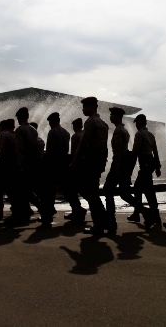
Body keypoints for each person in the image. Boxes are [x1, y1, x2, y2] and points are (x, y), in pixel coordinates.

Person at [102, 107, 148, 233]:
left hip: (118, 164)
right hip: (123, 165)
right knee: (124, 193)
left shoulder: (118, 131)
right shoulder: (125, 130)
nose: (110, 117)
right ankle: (146, 212)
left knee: (108, 191)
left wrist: (115, 168)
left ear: (117, 116)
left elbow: (117, 152)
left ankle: (111, 221)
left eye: (112, 115)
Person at [69, 96, 110, 236]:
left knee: (87, 191)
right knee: (92, 192)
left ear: (92, 107)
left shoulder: (91, 122)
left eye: (85, 107)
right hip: (100, 161)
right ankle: (103, 221)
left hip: (91, 161)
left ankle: (100, 224)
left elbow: (83, 144)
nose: (83, 109)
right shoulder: (103, 123)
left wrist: (74, 162)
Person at [41, 112, 81, 228]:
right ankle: (77, 209)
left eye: (50, 122)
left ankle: (47, 216)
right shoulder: (66, 132)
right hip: (63, 162)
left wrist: (47, 164)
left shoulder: (52, 132)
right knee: (67, 189)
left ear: (52, 121)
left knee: (49, 191)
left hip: (54, 163)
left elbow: (50, 150)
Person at [130, 114, 162, 229]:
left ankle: (147, 216)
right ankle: (150, 216)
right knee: (147, 190)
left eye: (137, 124)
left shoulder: (139, 134)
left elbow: (135, 153)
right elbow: (156, 152)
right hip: (151, 163)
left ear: (139, 123)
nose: (136, 126)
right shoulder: (151, 135)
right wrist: (158, 167)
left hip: (144, 163)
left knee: (141, 190)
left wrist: (129, 169)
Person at [15, 108, 39, 222]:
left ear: (20, 118)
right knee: (27, 187)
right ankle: (27, 210)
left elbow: (19, 149)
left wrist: (19, 165)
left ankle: (40, 208)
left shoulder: (20, 130)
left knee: (23, 188)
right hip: (33, 162)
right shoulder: (34, 130)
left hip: (24, 162)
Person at [0, 118, 21, 221]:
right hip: (15, 164)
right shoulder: (16, 135)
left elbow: (1, 151)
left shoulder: (4, 136)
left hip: (5, 164)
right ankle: (17, 211)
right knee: (14, 190)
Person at [63, 118, 86, 222]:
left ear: (75, 126)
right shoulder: (85, 135)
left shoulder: (75, 136)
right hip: (85, 165)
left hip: (77, 165)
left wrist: (71, 165)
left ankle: (77, 210)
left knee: (69, 189)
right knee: (81, 188)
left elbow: (74, 153)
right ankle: (78, 210)